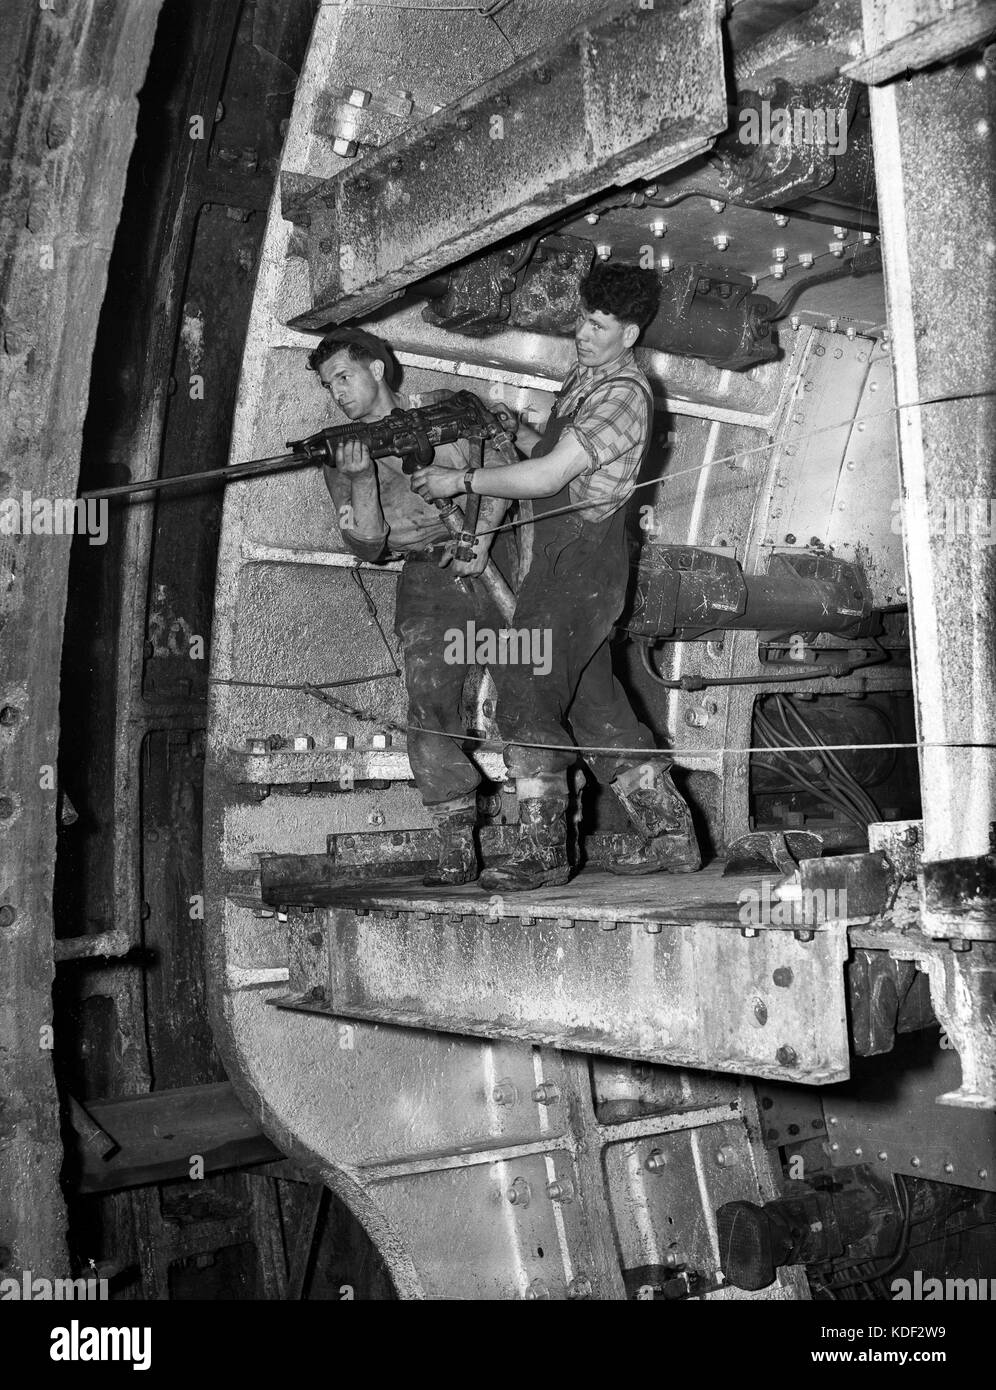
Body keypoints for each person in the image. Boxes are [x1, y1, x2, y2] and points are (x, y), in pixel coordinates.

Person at [412, 262, 700, 891]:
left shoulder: (625, 391)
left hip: (583, 565)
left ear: (630, 333)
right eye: (582, 320)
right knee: (596, 701)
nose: (584, 334)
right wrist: (516, 429)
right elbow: (550, 452)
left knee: (524, 677)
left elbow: (546, 479)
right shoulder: (587, 376)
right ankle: (671, 835)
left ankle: (543, 850)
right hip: (560, 563)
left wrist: (458, 481)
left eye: (599, 326)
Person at [311, 327, 514, 885]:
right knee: (429, 702)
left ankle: (545, 829)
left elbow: (504, 470)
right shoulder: (339, 455)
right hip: (427, 577)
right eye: (330, 385)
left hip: (496, 561)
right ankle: (455, 836)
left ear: (378, 369)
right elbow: (368, 543)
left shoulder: (446, 415)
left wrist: (485, 537)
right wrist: (360, 479)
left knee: (529, 685)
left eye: (345, 376)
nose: (338, 393)